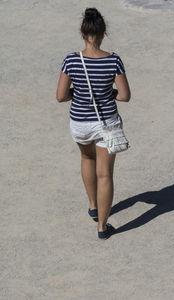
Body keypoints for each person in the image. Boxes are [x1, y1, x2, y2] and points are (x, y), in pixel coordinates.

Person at [56, 7, 131, 239]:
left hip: (80, 123)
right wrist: (109, 93)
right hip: (106, 123)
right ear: (103, 32)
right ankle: (102, 227)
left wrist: (75, 94)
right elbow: (125, 95)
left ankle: (92, 205)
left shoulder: (71, 60)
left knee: (87, 158)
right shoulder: (113, 60)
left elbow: (60, 96)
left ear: (82, 33)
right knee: (105, 175)